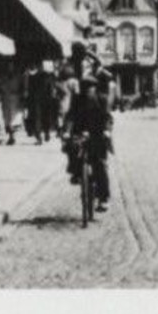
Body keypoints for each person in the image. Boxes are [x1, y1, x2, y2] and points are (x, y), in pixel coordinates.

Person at [63, 75, 114, 213]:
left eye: (90, 88)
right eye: (85, 89)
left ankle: (103, 199)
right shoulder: (77, 99)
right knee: (71, 147)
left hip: (98, 134)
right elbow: (70, 116)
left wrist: (107, 131)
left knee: (100, 165)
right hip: (80, 132)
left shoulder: (102, 99)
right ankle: (75, 172)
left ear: (94, 88)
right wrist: (67, 131)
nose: (87, 92)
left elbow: (108, 118)